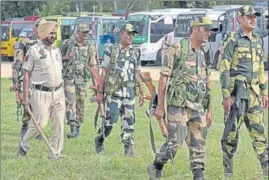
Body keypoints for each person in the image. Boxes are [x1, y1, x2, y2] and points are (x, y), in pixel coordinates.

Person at [147, 16, 217, 180]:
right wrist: (160, 107)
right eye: (205, 29)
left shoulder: (204, 53)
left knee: (198, 142)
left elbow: (207, 82)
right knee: (175, 142)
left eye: (210, 30)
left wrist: (209, 110)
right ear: (194, 29)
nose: (209, 33)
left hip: (197, 105)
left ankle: (198, 175)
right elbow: (164, 78)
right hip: (178, 104)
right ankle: (156, 166)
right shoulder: (177, 49)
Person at [219, 5, 268, 178]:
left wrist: (264, 91)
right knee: (231, 136)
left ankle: (266, 171)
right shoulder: (232, 39)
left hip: (254, 95)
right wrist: (226, 95)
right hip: (237, 97)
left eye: (254, 16)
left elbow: (261, 67)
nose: (253, 19)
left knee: (260, 135)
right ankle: (228, 173)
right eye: (249, 16)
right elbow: (224, 68)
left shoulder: (258, 39)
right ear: (239, 19)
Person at [17, 21, 65, 160]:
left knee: (59, 124)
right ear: (43, 33)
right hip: (40, 93)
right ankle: (24, 146)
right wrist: (25, 97)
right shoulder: (34, 51)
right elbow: (26, 74)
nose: (53, 36)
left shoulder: (57, 51)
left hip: (58, 92)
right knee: (40, 124)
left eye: (54, 33)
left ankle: (55, 153)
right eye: (50, 33)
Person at [94, 23, 145, 157]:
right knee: (110, 121)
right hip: (114, 92)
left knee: (129, 121)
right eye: (128, 33)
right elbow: (104, 72)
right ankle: (100, 139)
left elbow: (138, 72)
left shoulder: (136, 51)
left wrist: (142, 91)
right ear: (121, 33)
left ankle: (128, 149)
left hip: (129, 92)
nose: (130, 37)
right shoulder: (111, 49)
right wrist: (100, 92)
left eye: (132, 34)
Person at [61, 24, 99, 138]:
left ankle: (77, 126)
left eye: (87, 32)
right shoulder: (67, 44)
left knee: (81, 103)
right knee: (70, 102)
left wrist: (95, 84)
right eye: (83, 32)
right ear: (78, 33)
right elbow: (58, 57)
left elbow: (93, 67)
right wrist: (68, 57)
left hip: (82, 79)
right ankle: (73, 127)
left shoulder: (90, 47)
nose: (86, 35)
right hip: (69, 78)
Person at [11, 18, 47, 140]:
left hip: (42, 79)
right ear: (35, 28)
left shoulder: (47, 42)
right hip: (27, 77)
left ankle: (38, 129)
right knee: (28, 103)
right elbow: (18, 61)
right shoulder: (26, 42)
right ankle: (26, 126)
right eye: (40, 27)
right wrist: (15, 79)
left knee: (41, 104)